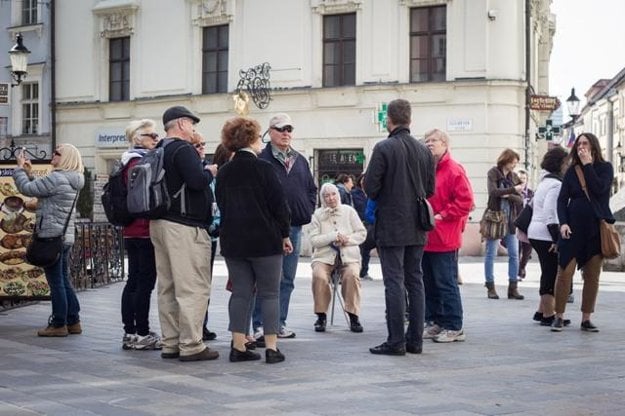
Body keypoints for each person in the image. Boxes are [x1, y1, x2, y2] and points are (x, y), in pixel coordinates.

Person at [216, 116, 292, 364]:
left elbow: (222, 205)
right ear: (250, 139)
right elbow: (280, 207)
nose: (262, 141)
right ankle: (271, 347)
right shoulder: (265, 168)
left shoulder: (224, 172)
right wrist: (284, 234)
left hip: (234, 242)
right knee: (269, 294)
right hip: (265, 242)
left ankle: (238, 345)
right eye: (259, 137)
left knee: (240, 294)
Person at [364, 98, 435, 356]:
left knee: (394, 281)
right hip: (417, 224)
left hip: (392, 224)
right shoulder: (423, 150)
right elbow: (430, 189)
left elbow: (371, 188)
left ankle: (396, 341)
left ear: (389, 120)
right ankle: (415, 340)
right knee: (415, 280)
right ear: (410, 120)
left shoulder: (384, 148)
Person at [150, 106, 219, 361]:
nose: (193, 130)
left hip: (159, 223)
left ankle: (171, 342)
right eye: (191, 124)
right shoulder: (183, 149)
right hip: (184, 226)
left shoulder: (158, 149)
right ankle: (191, 344)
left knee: (167, 286)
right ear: (180, 124)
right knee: (192, 287)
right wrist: (209, 171)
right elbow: (197, 181)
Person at [253, 113, 317, 341]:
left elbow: (311, 188)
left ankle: (279, 323)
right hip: (269, 228)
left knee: (287, 279)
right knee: (267, 278)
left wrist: (307, 209)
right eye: (281, 129)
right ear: (270, 132)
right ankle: (260, 324)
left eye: (289, 129)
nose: (286, 133)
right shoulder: (262, 159)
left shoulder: (299, 159)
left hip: (294, 226)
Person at [14, 144, 85, 337]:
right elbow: (44, 190)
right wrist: (29, 173)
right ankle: (73, 321)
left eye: (57, 153)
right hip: (65, 236)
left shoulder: (57, 178)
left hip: (51, 236)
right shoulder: (73, 179)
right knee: (63, 279)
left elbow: (27, 189)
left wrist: (20, 168)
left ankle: (58, 323)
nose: (53, 155)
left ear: (66, 158)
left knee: (56, 282)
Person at [552, 133, 614, 332]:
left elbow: (600, 190)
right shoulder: (572, 171)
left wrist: (588, 166)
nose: (581, 147)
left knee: (592, 276)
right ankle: (559, 315)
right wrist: (563, 223)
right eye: (579, 144)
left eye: (585, 143)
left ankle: (586, 318)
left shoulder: (605, 168)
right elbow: (562, 200)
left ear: (594, 146)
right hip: (573, 229)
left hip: (595, 230)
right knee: (564, 273)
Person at [422, 129, 473, 343]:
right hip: (426, 238)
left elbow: (466, 201)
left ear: (444, 143)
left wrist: (443, 215)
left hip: (445, 238)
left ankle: (454, 325)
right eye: (426, 141)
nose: (429, 144)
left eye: (433, 140)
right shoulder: (427, 170)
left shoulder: (454, 170)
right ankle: (435, 321)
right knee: (429, 282)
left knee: (446, 282)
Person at [120, 119, 162, 350]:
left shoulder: (125, 161)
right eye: (151, 135)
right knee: (144, 283)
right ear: (137, 138)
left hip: (129, 228)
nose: (156, 139)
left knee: (133, 281)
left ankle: (130, 332)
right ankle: (143, 333)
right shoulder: (141, 161)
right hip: (144, 228)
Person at [309, 183, 367, 333]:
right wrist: (332, 237)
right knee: (319, 275)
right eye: (326, 195)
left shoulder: (349, 211)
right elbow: (314, 240)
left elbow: (362, 233)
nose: (330, 198)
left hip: (348, 256)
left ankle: (353, 316)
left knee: (352, 275)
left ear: (338, 195)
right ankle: (321, 316)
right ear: (322, 198)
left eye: (333, 194)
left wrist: (346, 239)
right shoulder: (317, 215)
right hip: (324, 257)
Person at [527, 147, 569, 326]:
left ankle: (541, 310)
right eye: (566, 162)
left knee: (548, 270)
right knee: (550, 273)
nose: (568, 166)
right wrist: (555, 239)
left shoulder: (545, 181)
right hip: (545, 233)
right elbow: (551, 213)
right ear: (559, 164)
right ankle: (548, 314)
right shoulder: (556, 184)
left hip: (536, 231)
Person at [191, 134, 224, 342]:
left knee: (205, 282)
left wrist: (217, 225)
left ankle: (202, 324)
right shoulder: (195, 171)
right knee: (193, 283)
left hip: (210, 234)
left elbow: (216, 200)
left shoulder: (210, 170)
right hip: (194, 232)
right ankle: (193, 326)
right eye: (197, 145)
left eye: (203, 144)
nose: (202, 148)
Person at [483, 148, 525, 300]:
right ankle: (490, 286)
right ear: (506, 160)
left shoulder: (514, 176)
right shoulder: (493, 173)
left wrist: (509, 194)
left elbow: (520, 199)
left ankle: (513, 288)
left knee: (514, 254)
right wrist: (512, 190)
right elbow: (493, 192)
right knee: (490, 253)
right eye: (513, 162)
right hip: (495, 218)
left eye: (515, 163)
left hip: (510, 220)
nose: (514, 165)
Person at [351, 174, 374, 281]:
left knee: (367, 249)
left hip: (369, 224)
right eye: (362, 180)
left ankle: (364, 271)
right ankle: (358, 270)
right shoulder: (355, 193)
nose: (363, 182)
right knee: (359, 249)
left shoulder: (371, 194)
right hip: (358, 223)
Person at [516, 169, 534, 279]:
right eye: (520, 179)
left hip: (528, 223)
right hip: (516, 222)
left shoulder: (531, 193)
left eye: (524, 178)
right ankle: (518, 271)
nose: (522, 181)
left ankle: (522, 267)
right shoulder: (514, 192)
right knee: (517, 249)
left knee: (527, 248)